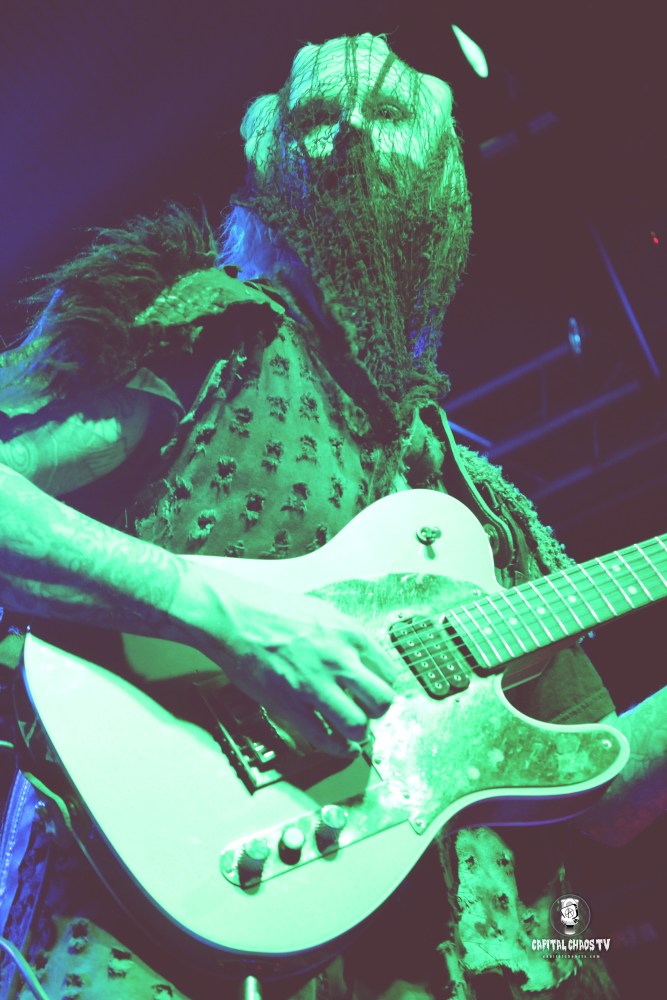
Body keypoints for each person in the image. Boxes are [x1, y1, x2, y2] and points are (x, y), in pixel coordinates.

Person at [0, 32, 665, 1000]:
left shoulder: (481, 511)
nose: (351, 130)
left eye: (388, 113)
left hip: (394, 954)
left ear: (446, 177)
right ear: (268, 161)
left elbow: (604, 796)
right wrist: (231, 619)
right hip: (128, 911)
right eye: (316, 117)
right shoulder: (205, 334)